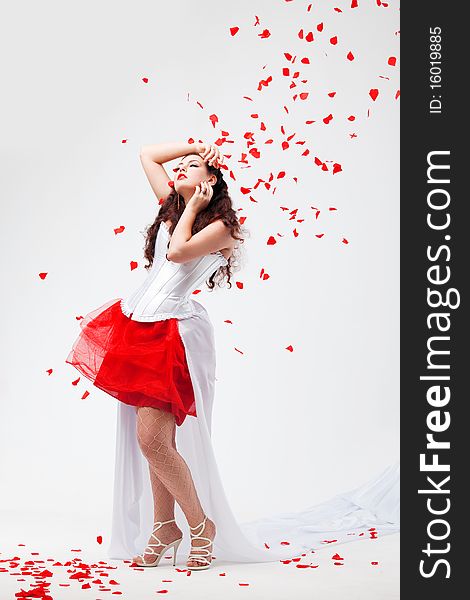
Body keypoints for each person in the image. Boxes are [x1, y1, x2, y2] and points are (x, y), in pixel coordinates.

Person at [66, 141, 400, 571]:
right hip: (138, 325)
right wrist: (198, 147)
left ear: (211, 181)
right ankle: (164, 525)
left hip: (174, 333)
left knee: (153, 441)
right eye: (180, 166)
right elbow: (148, 155)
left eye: (191, 166)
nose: (179, 167)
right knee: (154, 441)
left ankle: (201, 524)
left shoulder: (221, 225)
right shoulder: (172, 206)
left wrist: (191, 203)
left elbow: (176, 253)